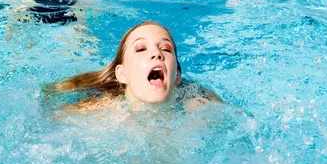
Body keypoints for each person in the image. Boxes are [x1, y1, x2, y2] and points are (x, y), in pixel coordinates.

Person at [45, 21, 220, 111]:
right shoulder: (95, 114)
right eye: (141, 48)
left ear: (177, 76)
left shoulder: (204, 111)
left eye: (166, 49)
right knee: (73, 38)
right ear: (121, 74)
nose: (156, 54)